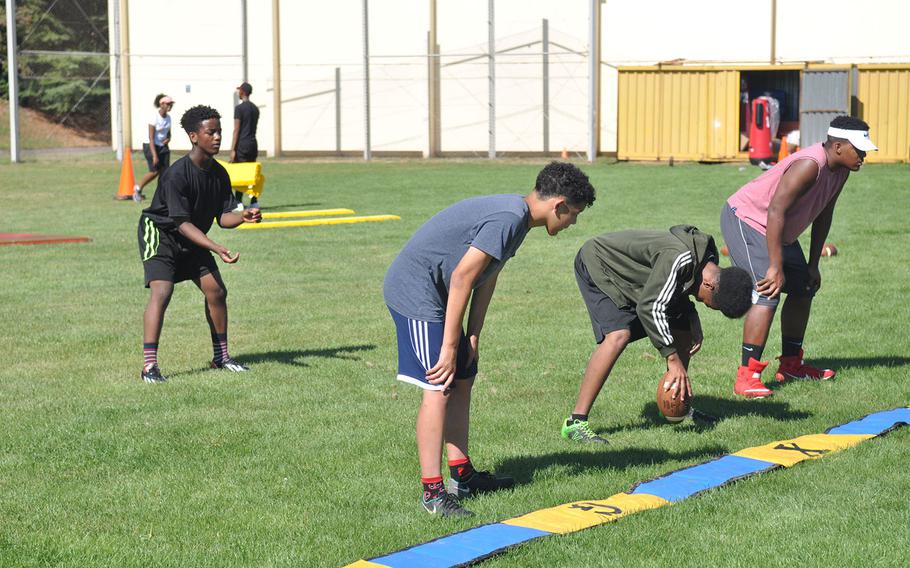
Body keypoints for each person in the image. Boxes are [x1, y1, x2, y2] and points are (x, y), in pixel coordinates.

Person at [383, 161, 596, 517]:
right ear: (558, 205)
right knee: (439, 385)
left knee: (463, 376)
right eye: (573, 214)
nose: (573, 222)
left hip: (441, 293)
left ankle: (462, 473)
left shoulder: (520, 219)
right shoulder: (509, 218)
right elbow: (463, 277)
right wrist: (450, 346)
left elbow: (488, 275)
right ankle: (433, 493)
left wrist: (473, 336)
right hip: (416, 293)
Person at [720, 116, 876, 398]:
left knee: (804, 286)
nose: (863, 155)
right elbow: (774, 211)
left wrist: (813, 265)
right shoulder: (809, 165)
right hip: (748, 220)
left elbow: (824, 214)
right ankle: (747, 376)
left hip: (777, 229)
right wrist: (775, 266)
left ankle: (791, 365)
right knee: (768, 290)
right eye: (859, 149)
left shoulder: (841, 170)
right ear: (838, 146)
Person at [561, 226, 753, 443]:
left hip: (637, 279)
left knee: (682, 324)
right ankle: (576, 422)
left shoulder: (707, 263)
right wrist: (672, 358)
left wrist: (691, 316)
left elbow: (680, 288)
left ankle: (677, 405)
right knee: (619, 334)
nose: (707, 307)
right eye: (709, 303)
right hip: (600, 264)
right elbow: (650, 307)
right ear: (709, 284)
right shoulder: (680, 258)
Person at [137, 105, 262, 383]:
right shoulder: (177, 174)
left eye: (219, 131)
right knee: (162, 291)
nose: (218, 137)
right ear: (194, 137)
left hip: (193, 236)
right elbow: (180, 223)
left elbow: (223, 217)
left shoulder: (220, 173)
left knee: (216, 291)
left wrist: (242, 216)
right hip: (162, 234)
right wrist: (216, 248)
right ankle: (149, 367)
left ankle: (222, 357)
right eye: (211, 132)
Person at [134, 94, 175, 203]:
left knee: (165, 173)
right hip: (151, 146)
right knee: (154, 171)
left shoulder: (169, 117)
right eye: (168, 104)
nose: (170, 106)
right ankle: (138, 188)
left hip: (163, 146)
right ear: (161, 104)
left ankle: (162, 196)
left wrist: (168, 139)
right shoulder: (154, 117)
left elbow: (168, 133)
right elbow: (151, 138)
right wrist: (155, 156)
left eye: (171, 104)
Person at [230, 82, 261, 210]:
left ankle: (238, 202)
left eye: (239, 91)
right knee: (251, 174)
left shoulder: (239, 109)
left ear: (242, 92)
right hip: (253, 143)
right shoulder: (255, 108)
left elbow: (236, 129)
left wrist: (233, 149)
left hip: (242, 144)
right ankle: (254, 201)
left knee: (240, 173)